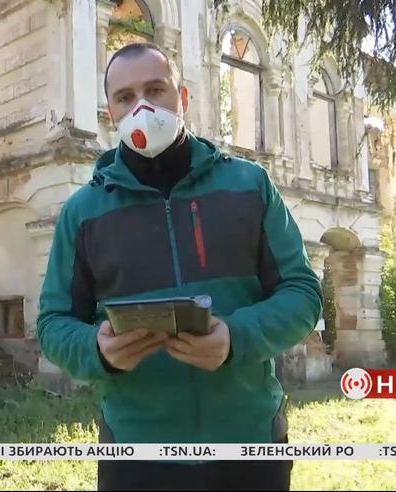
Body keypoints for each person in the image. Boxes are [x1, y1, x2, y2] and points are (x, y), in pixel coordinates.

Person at [37, 42, 323, 491]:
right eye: (125, 97)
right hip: (136, 456)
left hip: (250, 446)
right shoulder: (83, 211)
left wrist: (236, 338)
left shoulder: (250, 185)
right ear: (110, 112)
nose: (142, 107)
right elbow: (54, 323)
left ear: (183, 98)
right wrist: (97, 350)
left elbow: (303, 293)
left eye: (156, 89)